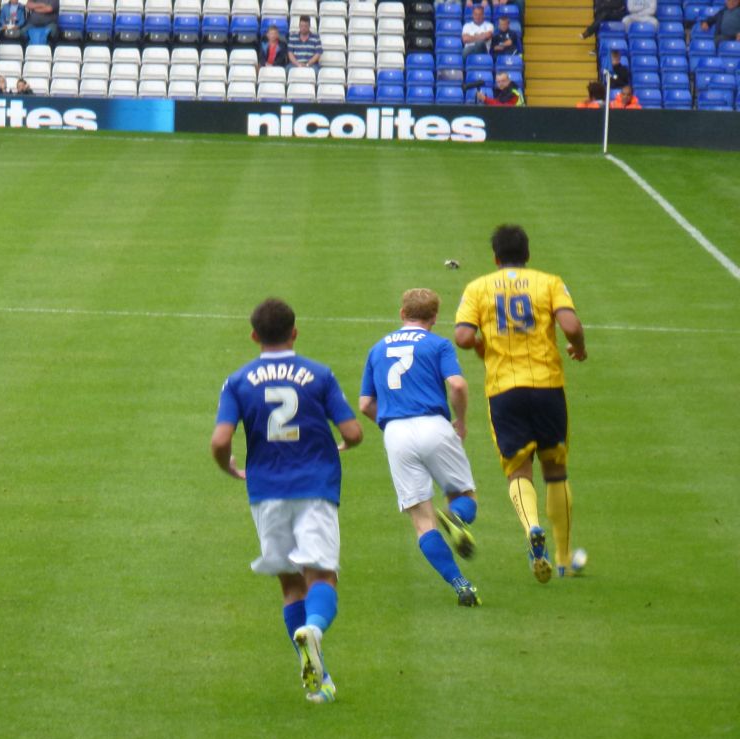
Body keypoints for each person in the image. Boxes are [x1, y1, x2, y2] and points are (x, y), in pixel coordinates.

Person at [211, 298, 364, 704]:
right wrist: (343, 443)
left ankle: (319, 681)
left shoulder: (238, 380)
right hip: (315, 487)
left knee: (291, 585)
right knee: (322, 576)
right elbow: (353, 431)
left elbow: (221, 440)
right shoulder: (319, 374)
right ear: (295, 332)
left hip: (266, 493)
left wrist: (227, 465)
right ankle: (314, 630)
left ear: (254, 336)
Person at [454, 224, 588, 583]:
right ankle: (562, 557)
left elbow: (463, 335)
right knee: (555, 471)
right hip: (547, 386)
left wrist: (485, 348)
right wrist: (580, 347)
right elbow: (571, 326)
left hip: (504, 389)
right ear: (527, 256)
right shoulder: (549, 282)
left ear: (495, 257)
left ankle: (532, 530)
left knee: (519, 471)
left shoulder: (477, 288)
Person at [359, 290, 481, 608]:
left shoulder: (377, 349)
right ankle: (456, 518)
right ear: (434, 317)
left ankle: (462, 586)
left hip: (396, 434)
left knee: (422, 521)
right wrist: (462, 421)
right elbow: (457, 385)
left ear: (402, 313)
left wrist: (389, 425)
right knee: (464, 496)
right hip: (434, 426)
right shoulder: (438, 344)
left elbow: (365, 404)